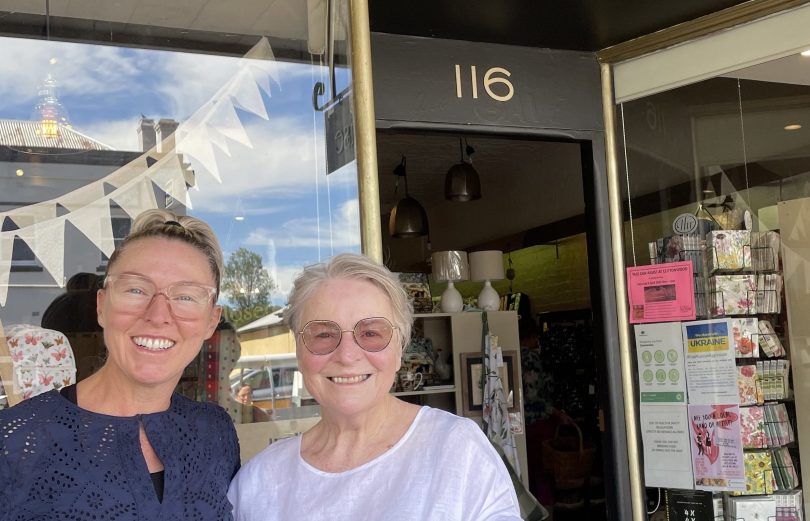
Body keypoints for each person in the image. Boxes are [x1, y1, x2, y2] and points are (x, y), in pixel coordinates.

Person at [228, 253, 521, 520]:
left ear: (399, 349)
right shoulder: (261, 481)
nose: (347, 355)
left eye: (370, 333)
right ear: (300, 353)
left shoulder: (457, 451)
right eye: (323, 335)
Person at [0, 209, 240, 520]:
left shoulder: (214, 432)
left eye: (185, 296)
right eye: (136, 290)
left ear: (211, 321)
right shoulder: (14, 442)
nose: (157, 315)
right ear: (102, 305)